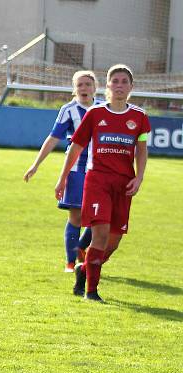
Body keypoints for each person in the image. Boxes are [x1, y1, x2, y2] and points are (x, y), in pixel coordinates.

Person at [54, 64, 150, 302]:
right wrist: (63, 177)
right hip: (97, 181)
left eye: (123, 82)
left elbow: (141, 148)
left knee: (114, 241)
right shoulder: (95, 114)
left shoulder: (139, 117)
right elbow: (75, 147)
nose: (119, 86)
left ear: (131, 87)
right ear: (107, 86)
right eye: (114, 81)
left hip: (123, 184)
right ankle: (91, 292)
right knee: (100, 235)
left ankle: (83, 269)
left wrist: (139, 177)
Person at [24, 70, 98, 272]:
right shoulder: (69, 110)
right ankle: (71, 262)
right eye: (80, 85)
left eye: (87, 84)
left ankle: (82, 249)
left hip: (99, 170)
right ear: (74, 88)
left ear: (95, 88)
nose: (84, 88)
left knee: (98, 217)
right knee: (76, 217)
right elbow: (53, 138)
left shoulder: (103, 109)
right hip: (75, 169)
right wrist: (36, 164)